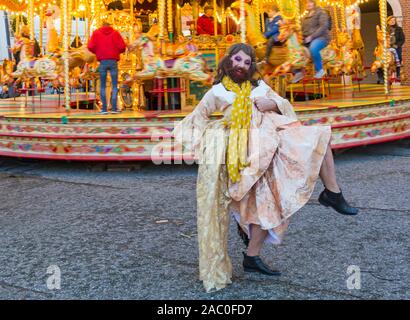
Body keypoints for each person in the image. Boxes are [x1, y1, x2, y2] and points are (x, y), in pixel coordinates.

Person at [173, 43, 358, 293]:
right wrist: (213, 138)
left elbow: (284, 104)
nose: (241, 65)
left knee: (319, 139)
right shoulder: (216, 92)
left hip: (269, 146)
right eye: (237, 60)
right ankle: (251, 255)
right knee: (262, 205)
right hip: (242, 155)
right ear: (228, 61)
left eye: (247, 62)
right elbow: (196, 120)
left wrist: (273, 105)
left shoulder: (260, 87)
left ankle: (332, 193)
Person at [87, 21, 126, 114]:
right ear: (110, 25)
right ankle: (114, 108)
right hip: (113, 61)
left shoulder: (96, 33)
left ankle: (104, 109)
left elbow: (90, 46)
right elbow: (122, 47)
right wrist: (116, 51)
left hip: (102, 62)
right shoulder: (115, 33)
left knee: (103, 86)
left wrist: (97, 51)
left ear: (102, 25)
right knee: (114, 85)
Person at [293, 0, 330, 82]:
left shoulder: (320, 13)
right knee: (296, 52)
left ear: (314, 3)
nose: (308, 4)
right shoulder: (305, 17)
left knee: (313, 47)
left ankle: (320, 70)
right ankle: (298, 72)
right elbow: (303, 31)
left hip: (321, 37)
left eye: (310, 2)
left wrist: (312, 36)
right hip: (307, 39)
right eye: (306, 2)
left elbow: (324, 26)